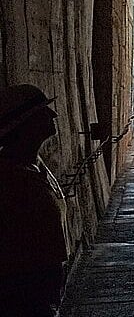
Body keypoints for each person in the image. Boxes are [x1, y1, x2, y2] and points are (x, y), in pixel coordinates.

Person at [0, 84, 69, 317]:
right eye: (42, 111)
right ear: (24, 125)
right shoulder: (10, 179)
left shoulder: (34, 164)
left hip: (42, 286)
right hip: (23, 291)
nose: (53, 115)